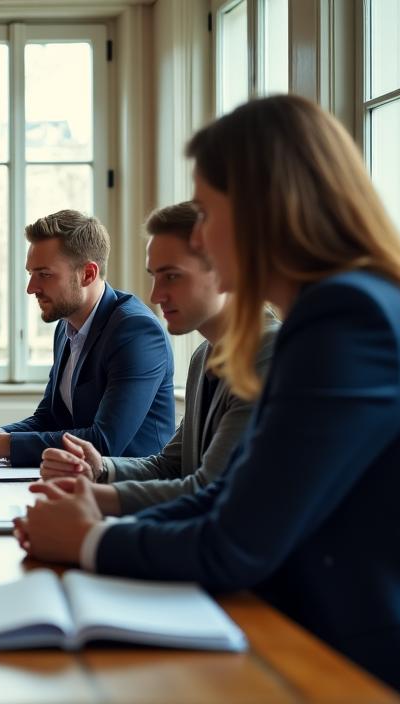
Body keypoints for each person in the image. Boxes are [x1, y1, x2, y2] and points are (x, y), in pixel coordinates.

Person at [15, 95, 400, 704]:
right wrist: (93, 514)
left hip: (375, 669)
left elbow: (235, 542)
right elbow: (226, 499)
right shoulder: (338, 315)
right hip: (318, 636)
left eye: (208, 213)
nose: (201, 237)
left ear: (266, 210)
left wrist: (87, 537)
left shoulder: (348, 323)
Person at [39, 202, 277, 515]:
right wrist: (99, 469)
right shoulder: (203, 355)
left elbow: (207, 490)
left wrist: (91, 501)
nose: (155, 295)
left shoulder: (270, 351)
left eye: (172, 277)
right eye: (154, 276)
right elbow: (171, 465)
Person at [0, 210, 175, 467]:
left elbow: (104, 442)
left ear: (88, 274)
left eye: (44, 274)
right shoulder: (66, 326)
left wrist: (3, 445)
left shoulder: (136, 331)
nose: (31, 288)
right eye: (30, 274)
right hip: (79, 483)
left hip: (133, 491)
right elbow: (49, 417)